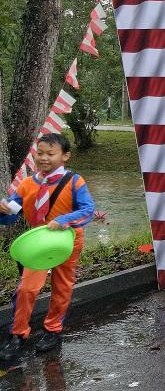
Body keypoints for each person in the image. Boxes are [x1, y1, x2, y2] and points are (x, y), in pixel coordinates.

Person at [0, 133, 95, 359]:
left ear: (65, 156)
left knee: (62, 286)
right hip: (38, 243)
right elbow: (12, 216)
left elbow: (88, 209)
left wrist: (64, 220)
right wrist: (3, 212)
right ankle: (17, 334)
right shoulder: (26, 184)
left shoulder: (74, 181)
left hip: (68, 240)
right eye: (40, 153)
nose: (44, 158)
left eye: (50, 154)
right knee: (26, 288)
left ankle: (53, 330)